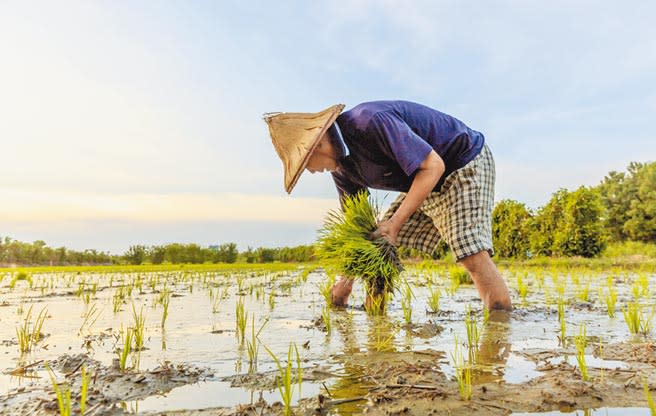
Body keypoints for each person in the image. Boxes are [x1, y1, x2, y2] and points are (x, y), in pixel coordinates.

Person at [264, 100, 512, 310]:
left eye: (305, 164)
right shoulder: (341, 169)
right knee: (377, 248)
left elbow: (433, 166)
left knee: (469, 251)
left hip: (462, 162)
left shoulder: (369, 122)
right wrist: (345, 279)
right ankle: (377, 328)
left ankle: (498, 331)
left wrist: (394, 224)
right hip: (425, 179)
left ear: (315, 145)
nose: (311, 171)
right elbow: (358, 232)